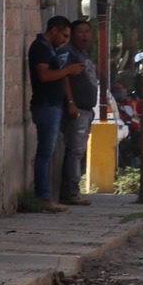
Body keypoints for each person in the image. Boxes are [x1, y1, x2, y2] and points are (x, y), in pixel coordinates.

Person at [28, 15, 84, 210]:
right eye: (64, 36)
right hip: (46, 105)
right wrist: (68, 70)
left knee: (48, 151)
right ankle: (43, 197)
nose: (65, 40)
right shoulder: (41, 48)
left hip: (53, 105)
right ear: (54, 31)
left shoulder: (50, 49)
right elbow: (44, 75)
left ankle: (45, 196)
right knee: (45, 152)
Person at [60, 17, 100, 206]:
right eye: (80, 31)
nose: (85, 35)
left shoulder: (82, 54)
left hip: (87, 110)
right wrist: (70, 102)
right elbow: (65, 77)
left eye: (87, 31)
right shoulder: (68, 53)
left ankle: (73, 189)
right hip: (77, 110)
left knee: (78, 151)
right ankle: (71, 192)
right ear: (72, 34)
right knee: (75, 151)